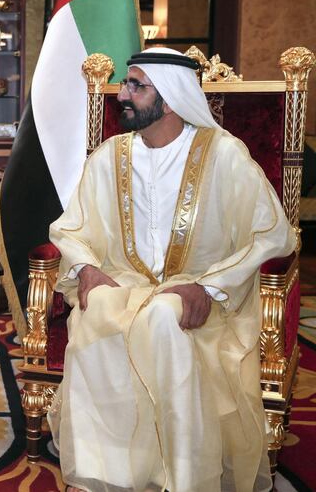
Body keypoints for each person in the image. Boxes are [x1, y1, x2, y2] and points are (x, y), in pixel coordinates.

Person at [48, 48, 296, 492]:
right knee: (98, 308)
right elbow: (72, 228)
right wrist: (85, 268)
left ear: (172, 96)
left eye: (136, 86)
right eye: (126, 83)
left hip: (204, 296)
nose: (122, 94)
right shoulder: (110, 156)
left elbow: (275, 234)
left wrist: (211, 287)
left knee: (164, 316)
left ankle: (182, 476)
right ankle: (112, 471)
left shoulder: (224, 155)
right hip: (125, 285)